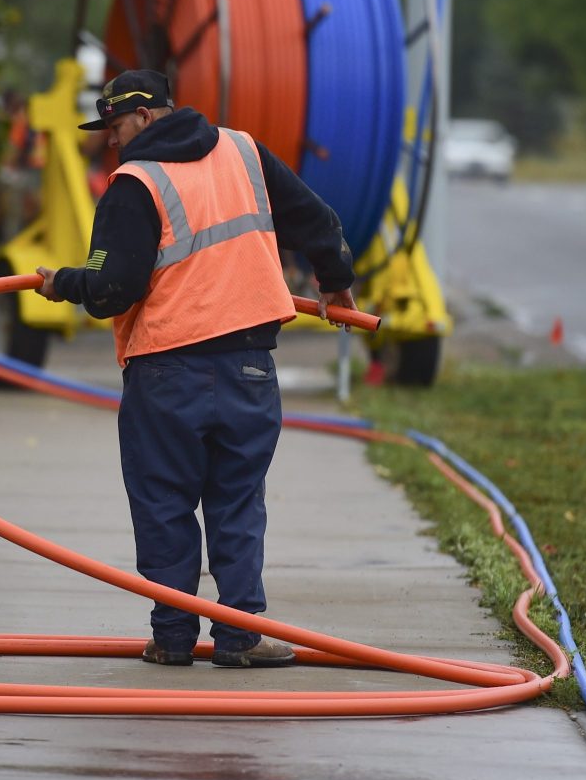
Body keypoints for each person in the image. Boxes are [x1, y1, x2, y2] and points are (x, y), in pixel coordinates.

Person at [36, 69, 356, 668]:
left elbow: (112, 289)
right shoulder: (245, 152)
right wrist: (335, 283)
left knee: (164, 503)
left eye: (115, 124)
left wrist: (64, 284)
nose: (110, 140)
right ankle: (240, 637)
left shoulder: (133, 185)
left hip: (168, 374)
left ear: (148, 117)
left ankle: (173, 637)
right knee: (237, 502)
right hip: (249, 371)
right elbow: (320, 222)